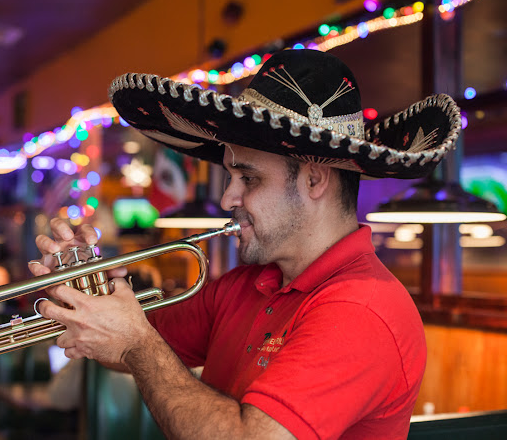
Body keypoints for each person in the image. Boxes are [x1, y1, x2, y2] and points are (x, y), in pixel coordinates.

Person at [29, 49, 461, 439]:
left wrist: (137, 343)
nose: (226, 199)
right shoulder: (247, 283)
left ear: (314, 178)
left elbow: (146, 352)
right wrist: (83, 289)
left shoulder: (362, 308)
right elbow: (124, 348)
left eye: (248, 178)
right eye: (231, 177)